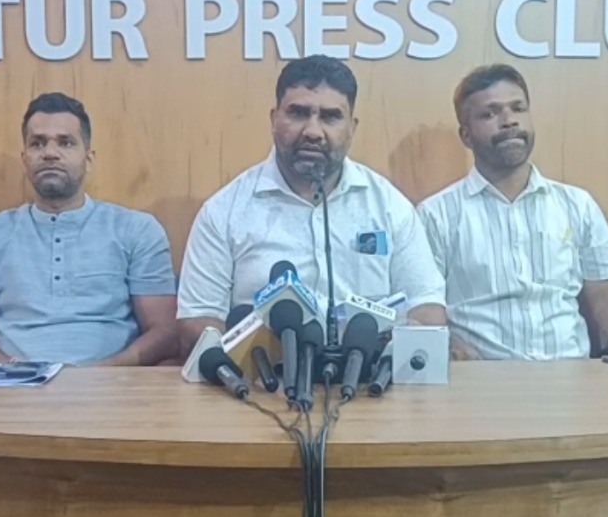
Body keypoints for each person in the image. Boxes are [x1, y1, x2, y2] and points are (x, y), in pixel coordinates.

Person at [416, 64, 608, 360]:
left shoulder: (576, 204)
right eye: (489, 114)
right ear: (466, 136)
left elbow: (606, 300)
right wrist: (450, 345)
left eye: (518, 108)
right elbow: (423, 308)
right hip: (482, 377)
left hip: (569, 376)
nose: (509, 121)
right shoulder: (436, 215)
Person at [177, 55, 448, 356]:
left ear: (352, 127)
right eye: (298, 113)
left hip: (368, 377)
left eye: (330, 117)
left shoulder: (389, 207)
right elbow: (197, 321)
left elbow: (427, 309)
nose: (313, 132)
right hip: (262, 379)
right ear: (274, 120)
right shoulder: (225, 211)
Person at [0, 92, 178, 368]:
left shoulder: (136, 230)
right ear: (25, 159)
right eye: (37, 143)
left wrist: (104, 373)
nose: (50, 153)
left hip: (113, 381)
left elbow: (165, 332)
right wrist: (17, 373)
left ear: (88, 159)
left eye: (66, 143)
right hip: (11, 383)